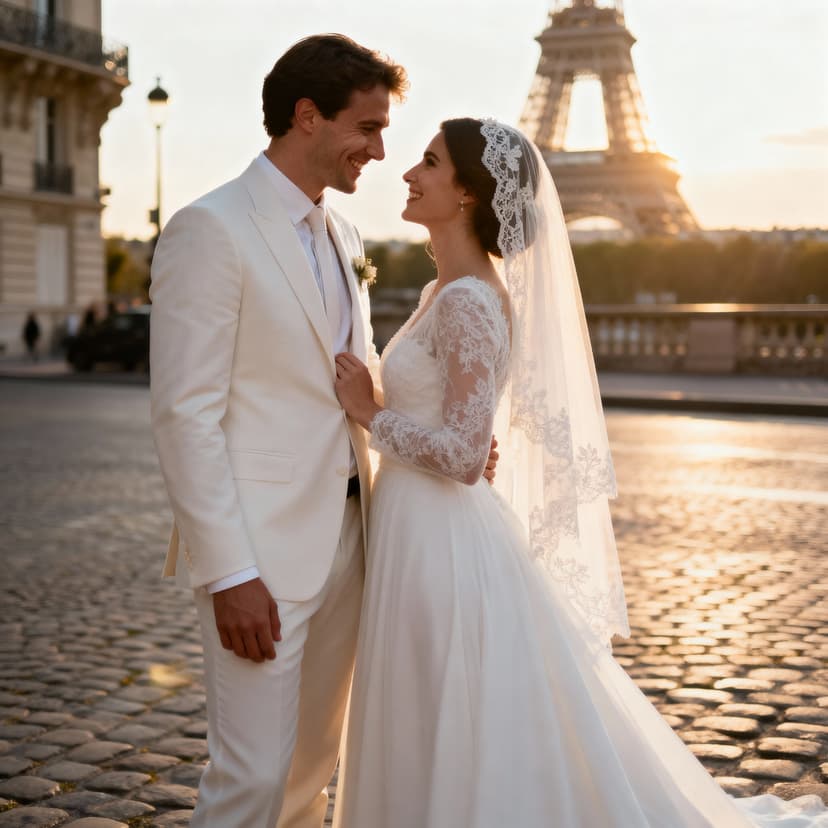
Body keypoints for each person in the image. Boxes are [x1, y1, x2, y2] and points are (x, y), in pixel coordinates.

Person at [331, 119, 828, 827]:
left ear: (471, 193)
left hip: (439, 538)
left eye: (430, 161)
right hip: (421, 527)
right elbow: (466, 433)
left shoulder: (469, 298)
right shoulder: (444, 293)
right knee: (436, 707)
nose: (409, 172)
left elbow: (466, 456)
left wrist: (368, 413)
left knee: (439, 705)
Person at [149, 35, 410, 828]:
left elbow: (353, 382)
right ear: (307, 116)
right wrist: (229, 573)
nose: (380, 149)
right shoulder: (210, 229)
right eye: (366, 127)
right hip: (259, 556)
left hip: (351, 541)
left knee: (310, 771)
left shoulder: (346, 236)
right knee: (251, 778)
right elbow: (183, 414)